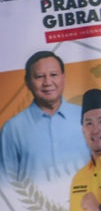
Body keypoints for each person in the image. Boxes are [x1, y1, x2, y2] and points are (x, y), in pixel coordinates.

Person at [0, 51, 90, 182]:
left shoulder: (87, 117)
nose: (47, 82)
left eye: (53, 75)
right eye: (39, 76)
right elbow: (5, 183)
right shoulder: (12, 129)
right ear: (28, 82)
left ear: (63, 77)